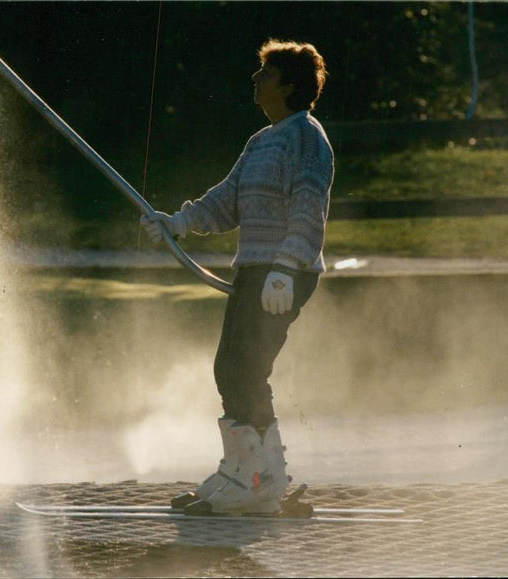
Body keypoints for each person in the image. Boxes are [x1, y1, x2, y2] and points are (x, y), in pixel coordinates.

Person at [141, 39, 334, 515]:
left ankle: (255, 480)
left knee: (244, 369)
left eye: (264, 73)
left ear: (289, 85)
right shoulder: (261, 141)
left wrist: (286, 270)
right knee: (233, 369)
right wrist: (176, 224)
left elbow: (310, 210)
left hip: (282, 275)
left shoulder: (306, 137)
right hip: (255, 271)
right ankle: (252, 475)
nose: (256, 80)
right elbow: (225, 202)